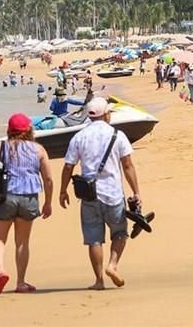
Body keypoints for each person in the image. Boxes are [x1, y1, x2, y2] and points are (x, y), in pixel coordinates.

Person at [59, 97, 142, 290]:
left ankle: (98, 281)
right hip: (113, 193)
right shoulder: (117, 135)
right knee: (120, 232)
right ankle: (112, 265)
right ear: (106, 114)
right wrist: (136, 191)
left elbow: (68, 166)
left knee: (94, 238)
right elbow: (127, 165)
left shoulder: (79, 137)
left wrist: (63, 191)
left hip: (89, 195)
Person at [0, 113, 54, 297]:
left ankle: (0, 270)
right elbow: (48, 179)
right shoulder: (38, 150)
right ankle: (21, 282)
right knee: (22, 242)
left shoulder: (0, 147)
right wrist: (48, 202)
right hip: (29, 198)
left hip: (4, 197)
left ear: (9, 129)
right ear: (29, 130)